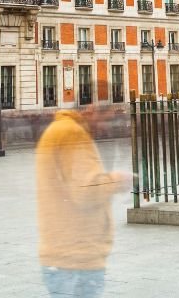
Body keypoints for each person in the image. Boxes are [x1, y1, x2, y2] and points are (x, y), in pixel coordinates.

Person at [35, 107, 131, 297]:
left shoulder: (60, 129)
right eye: (107, 120)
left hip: (63, 253)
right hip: (76, 258)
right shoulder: (72, 133)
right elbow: (85, 192)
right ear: (92, 110)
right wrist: (120, 180)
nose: (107, 128)